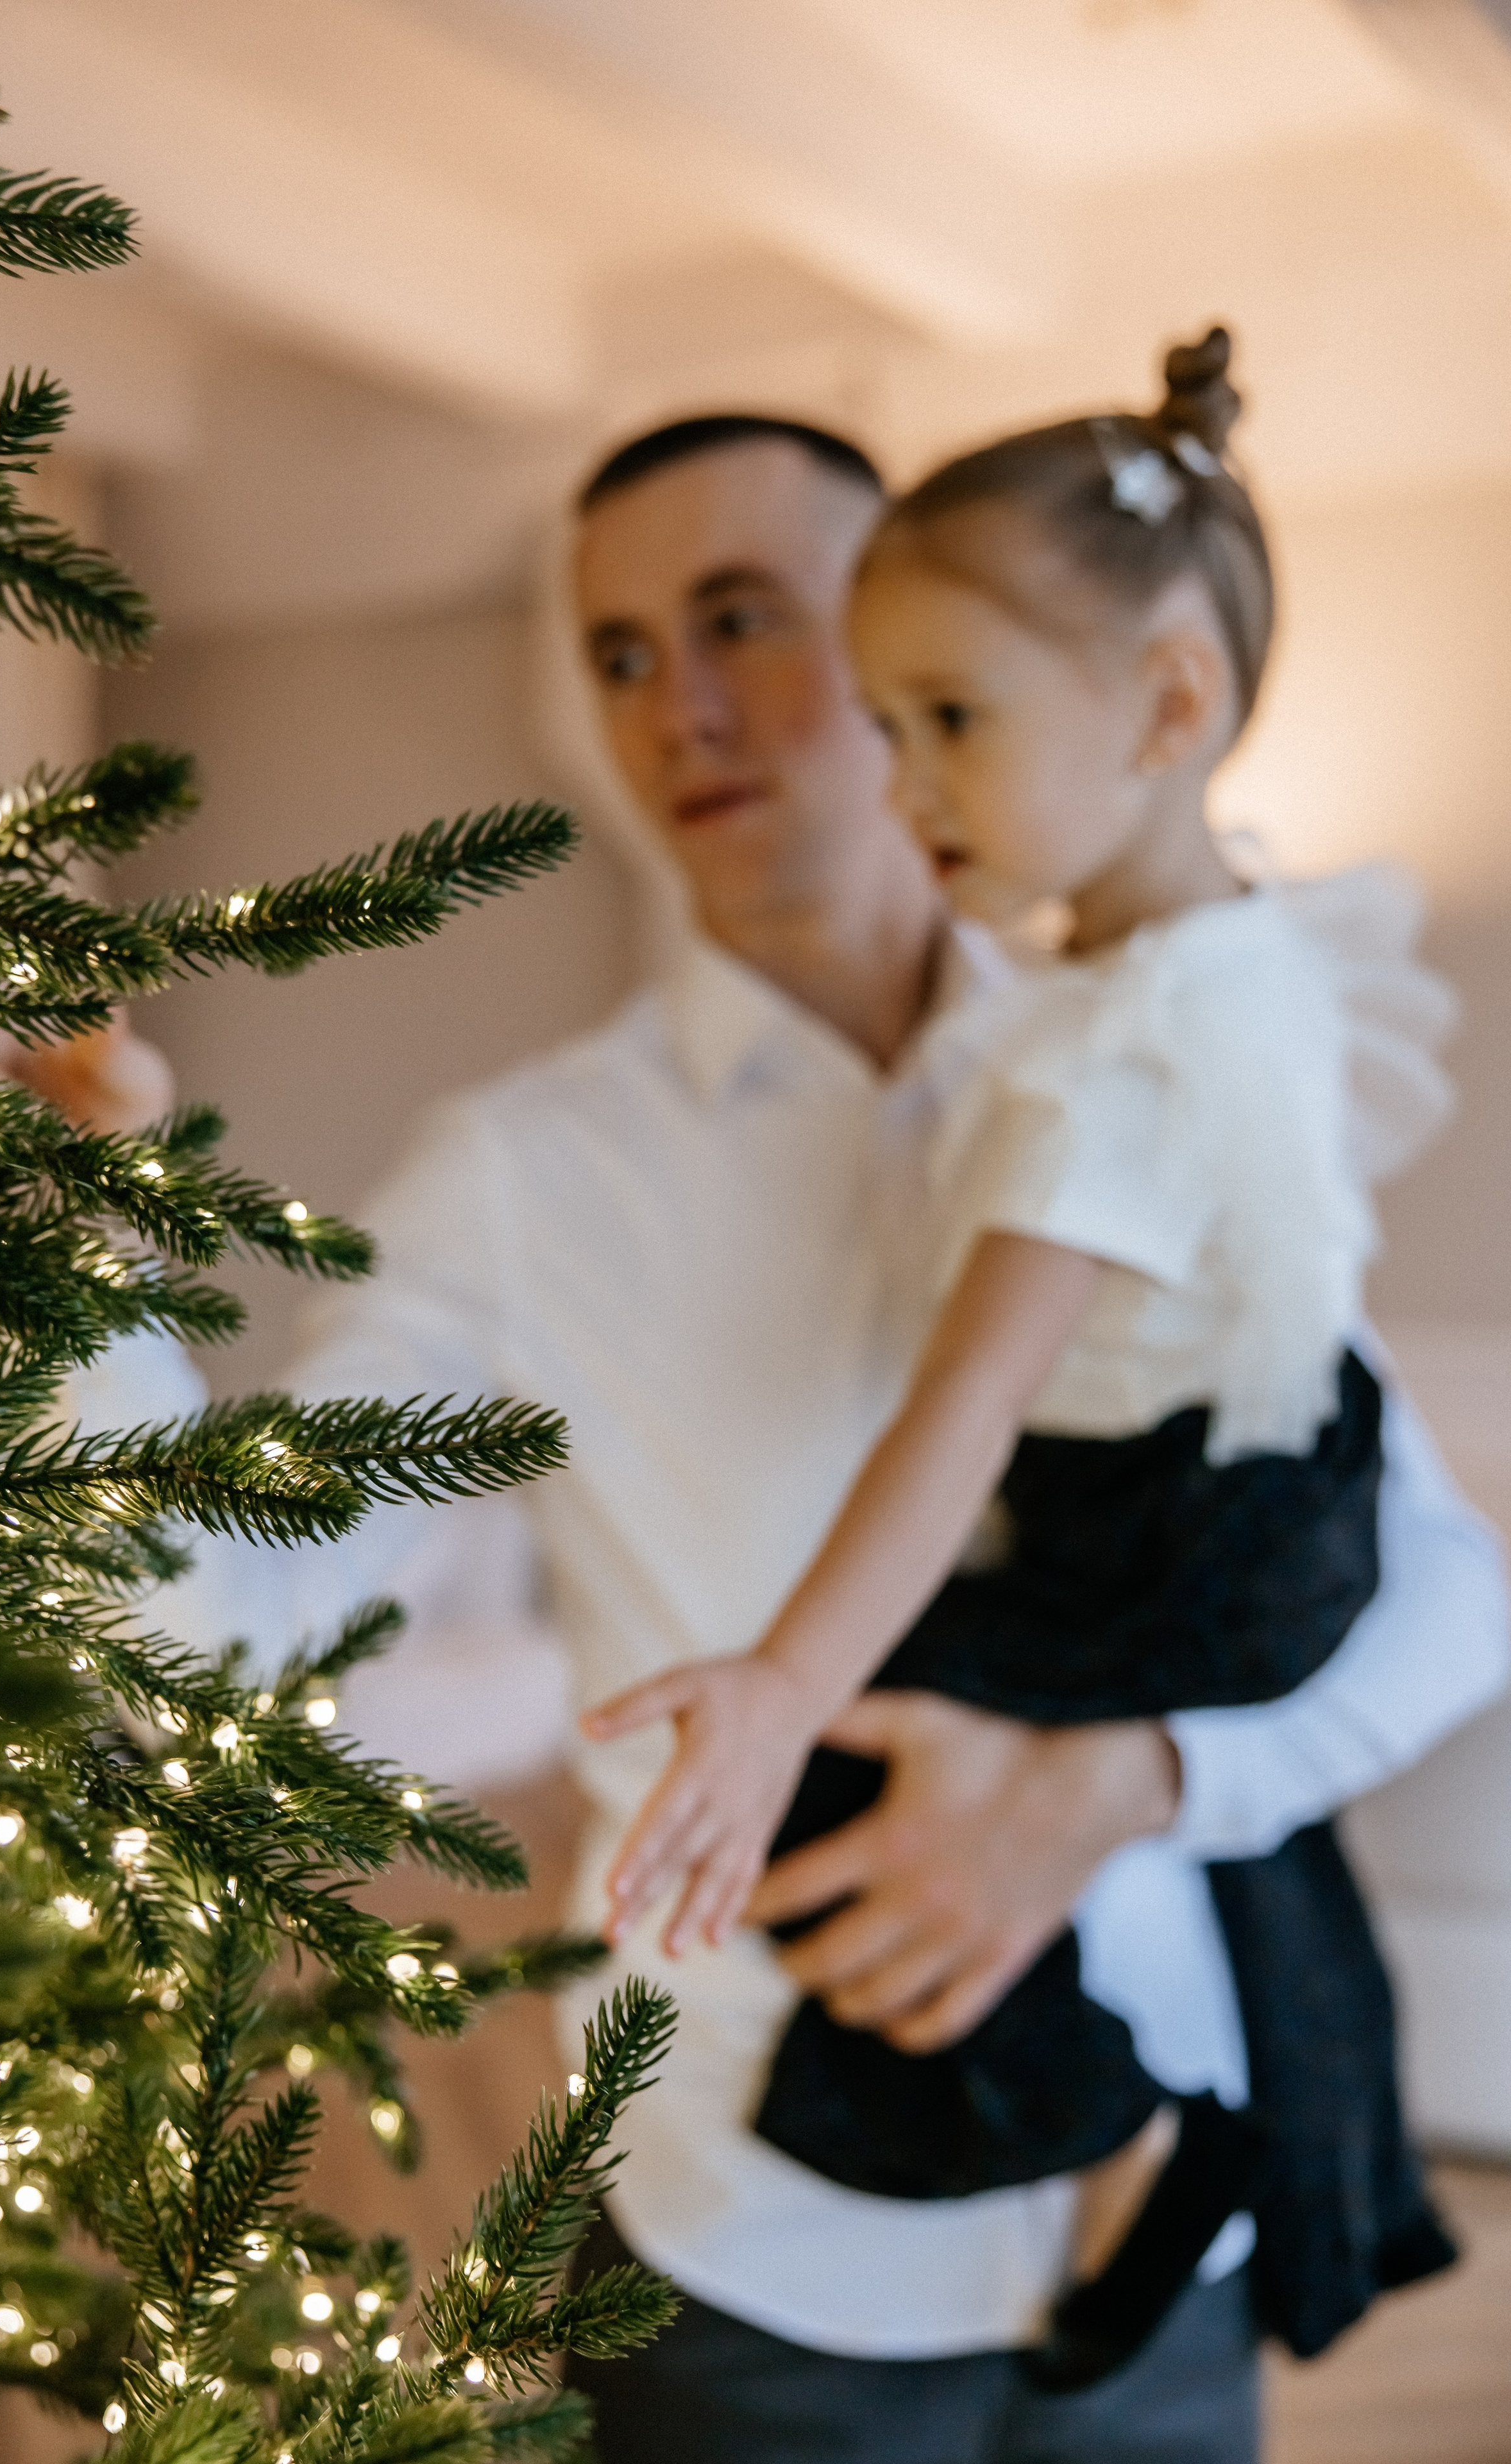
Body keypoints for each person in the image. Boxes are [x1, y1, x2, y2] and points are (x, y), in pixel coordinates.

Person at [161, 405, 1507, 2463]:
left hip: (1168, 2219)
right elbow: (224, 1617)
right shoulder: (525, 1177)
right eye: (616, 653)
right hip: (750, 2236)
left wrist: (1131, 1779)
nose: (677, 706)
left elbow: (1431, 1579)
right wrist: (67, 1264)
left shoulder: (1141, 1048)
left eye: (741, 619)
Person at [579, 332, 1442, 2391]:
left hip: (1170, 1532)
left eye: (949, 716)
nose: (903, 777)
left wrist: (784, 1685)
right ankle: (1155, 2153)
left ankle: (1138, 2135)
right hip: (1264, 1492)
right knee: (913, 1770)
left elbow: (964, 1402)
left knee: (837, 1797)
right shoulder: (1234, 963)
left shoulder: (1104, 1066)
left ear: (1167, 704)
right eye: (888, 721)